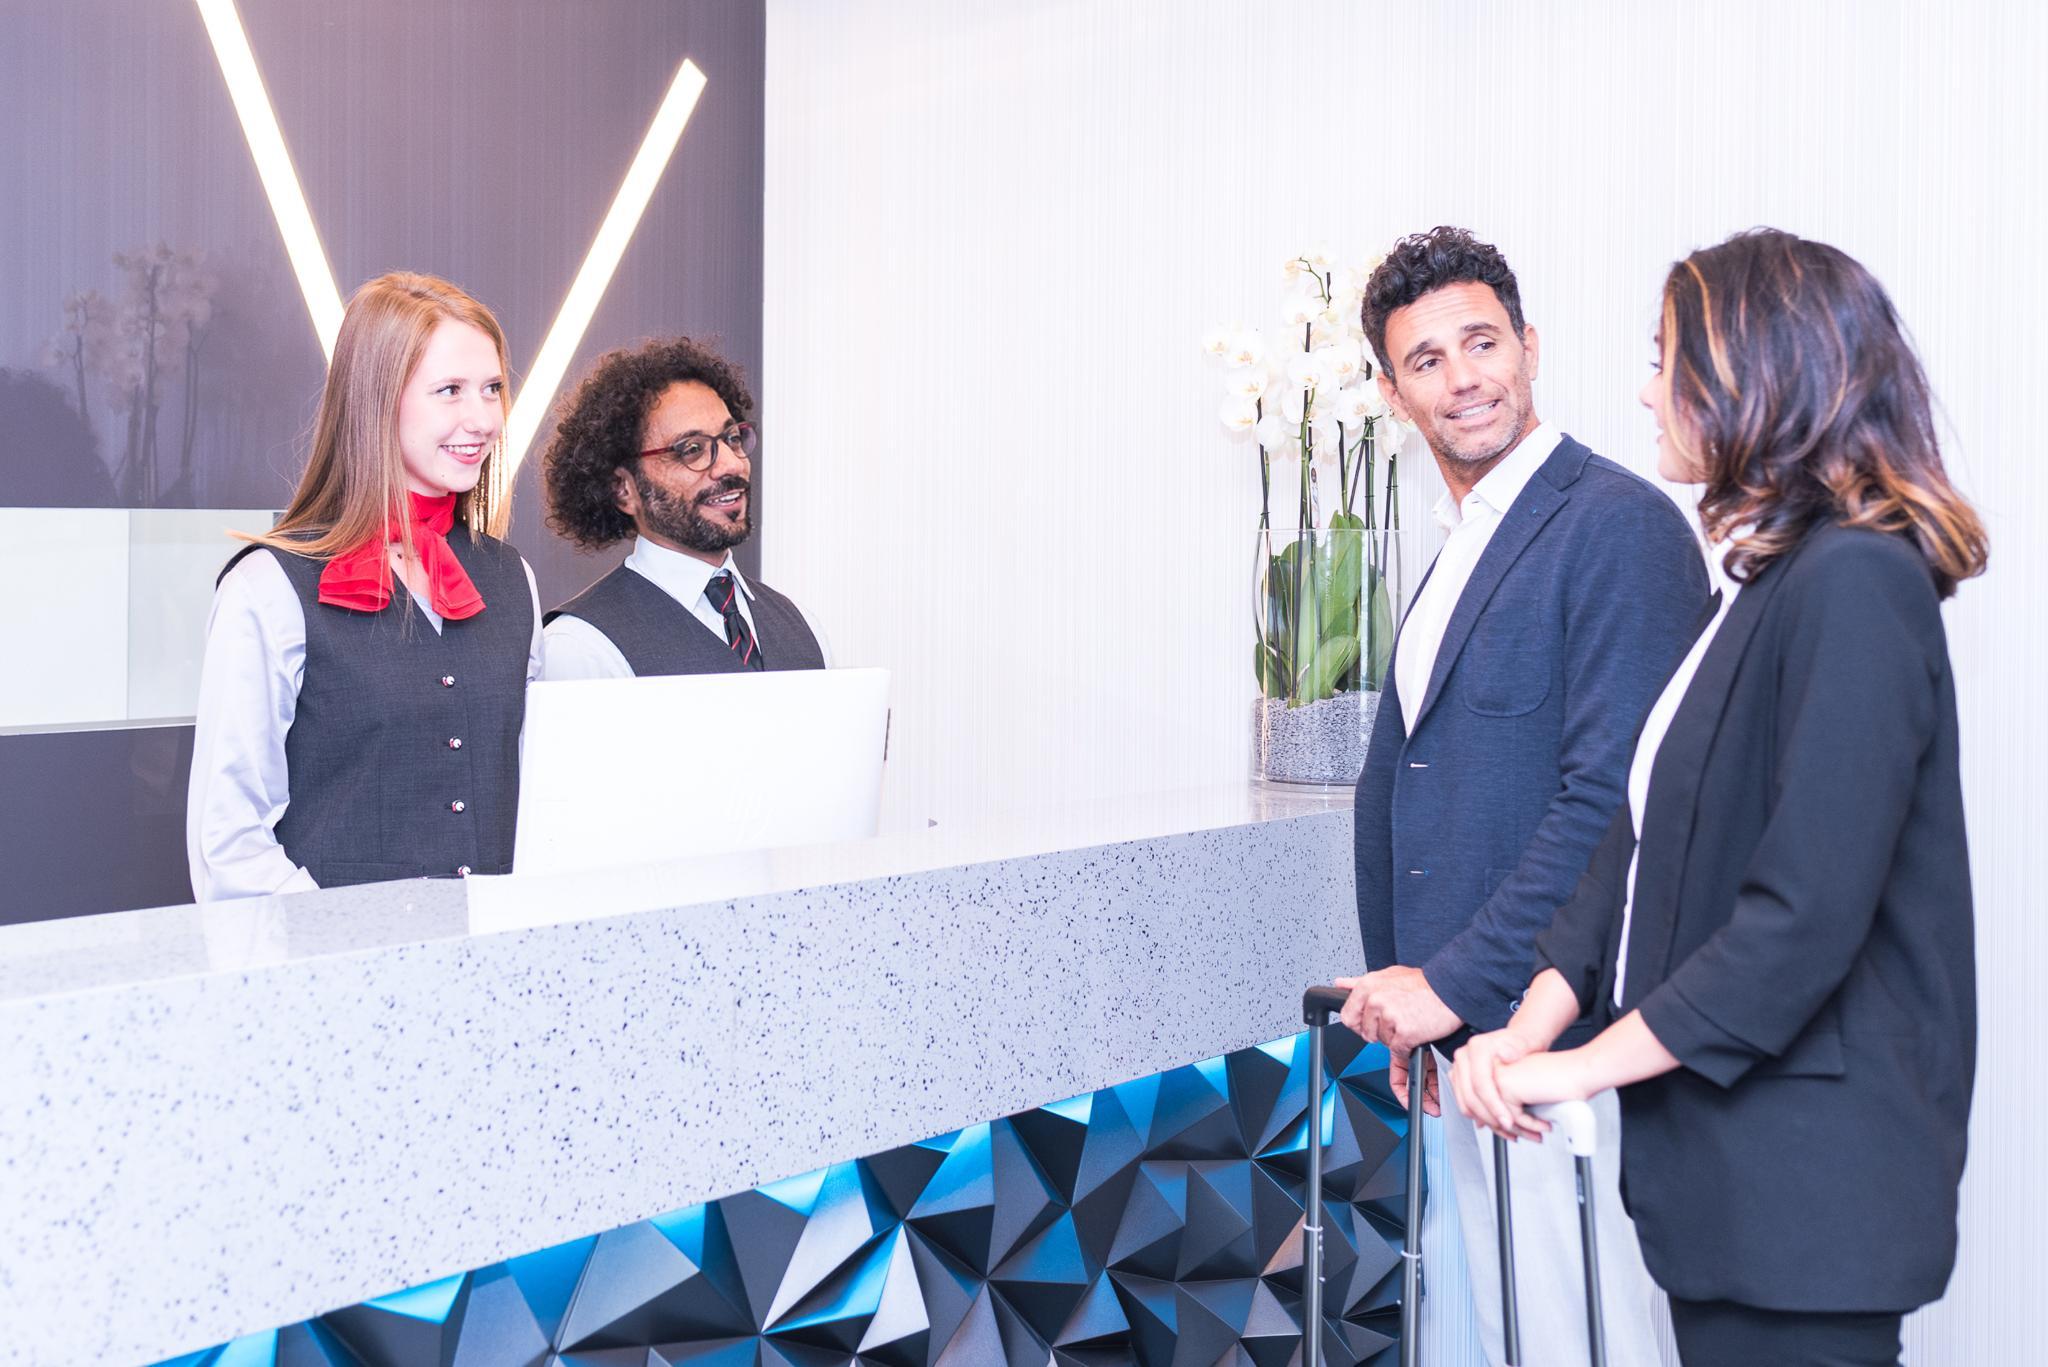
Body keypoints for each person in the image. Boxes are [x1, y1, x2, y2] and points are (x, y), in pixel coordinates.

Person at [1454, 228, 1987, 1367]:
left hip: (1808, 1188)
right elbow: (1635, 841)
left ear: (1752, 375)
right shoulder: (1763, 583)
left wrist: (1577, 1065)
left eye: (1664, 360)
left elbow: (1802, 917)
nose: (1645, 391)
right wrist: (1531, 1018)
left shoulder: (1857, 579)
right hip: (1730, 1186)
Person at [1334, 227, 1708, 1365]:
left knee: (1579, 1340)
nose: (1463, 378)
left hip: (1565, 1049)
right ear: (1393, 393)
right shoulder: (1460, 545)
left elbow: (1611, 807)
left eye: (1482, 342)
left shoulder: (1616, 526)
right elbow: (1414, 790)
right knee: (1502, 1338)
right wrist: (1412, 998)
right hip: (1466, 1051)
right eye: (1427, 359)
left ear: (1529, 347)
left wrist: (1447, 983)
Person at [187, 273, 542, 899]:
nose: (484, 419)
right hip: (335, 955)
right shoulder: (267, 587)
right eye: (450, 391)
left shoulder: (515, 579)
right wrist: (337, 943)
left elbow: (543, 800)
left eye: (492, 389)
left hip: (501, 950)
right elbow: (230, 844)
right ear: (376, 402)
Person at [539, 337, 828, 677]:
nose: (731, 464)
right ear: (623, 489)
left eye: (733, 439)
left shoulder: (804, 627)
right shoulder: (580, 648)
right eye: (692, 449)